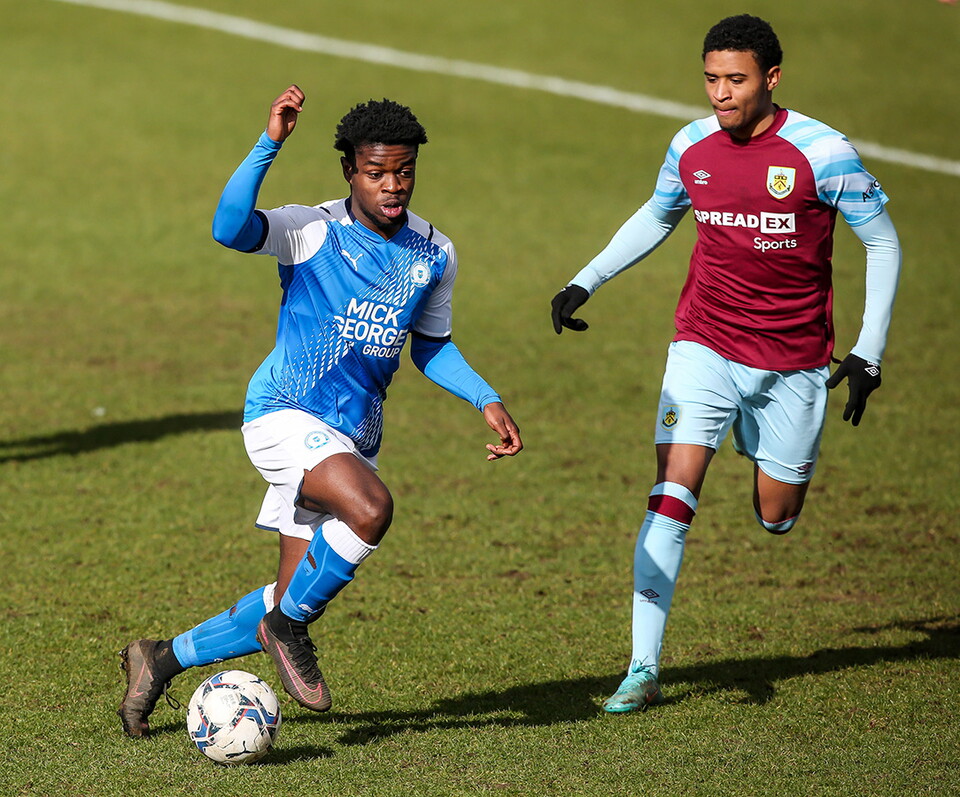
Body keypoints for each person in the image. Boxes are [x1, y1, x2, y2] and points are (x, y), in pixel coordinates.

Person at [118, 85, 523, 737]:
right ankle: (287, 627)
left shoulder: (433, 254)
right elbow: (228, 228)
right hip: (282, 414)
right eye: (376, 172)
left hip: (352, 438)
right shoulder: (312, 230)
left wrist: (486, 397)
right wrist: (269, 143)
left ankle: (158, 659)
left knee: (290, 592)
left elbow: (433, 347)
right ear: (350, 171)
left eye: (404, 171)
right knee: (370, 510)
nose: (392, 185)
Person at [551, 15, 900, 713]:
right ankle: (642, 668)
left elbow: (883, 245)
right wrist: (585, 279)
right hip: (703, 343)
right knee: (672, 490)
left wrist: (868, 351)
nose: (720, 93)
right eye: (711, 78)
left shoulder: (822, 153)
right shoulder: (691, 145)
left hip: (794, 363)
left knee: (777, 516)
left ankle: (756, 439)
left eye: (735, 80)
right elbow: (657, 214)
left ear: (772, 77)